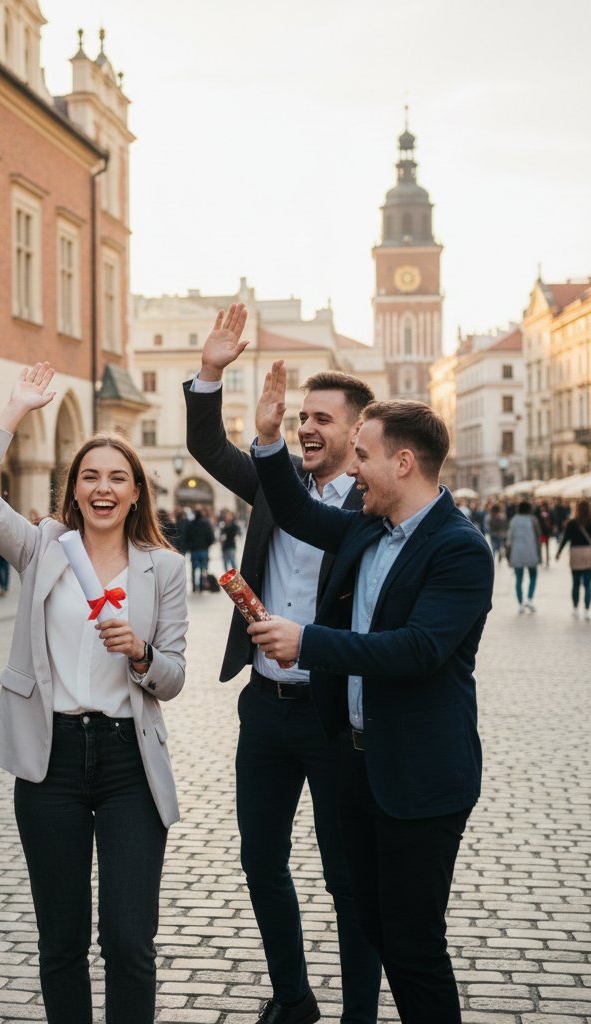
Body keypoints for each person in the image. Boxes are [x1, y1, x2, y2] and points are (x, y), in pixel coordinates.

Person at [246, 359, 493, 1023]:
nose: (352, 470)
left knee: (414, 948)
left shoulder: (460, 549)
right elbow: (294, 510)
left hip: (419, 777)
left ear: (404, 462)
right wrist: (269, 439)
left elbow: (418, 651)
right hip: (357, 766)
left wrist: (309, 643)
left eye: (363, 456)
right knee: (378, 928)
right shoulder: (365, 526)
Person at [0, 362, 188, 1024]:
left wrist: (140, 652)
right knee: (61, 943)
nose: (103, 487)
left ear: (136, 492)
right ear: (74, 490)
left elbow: (173, 675)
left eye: (117, 477)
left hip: (127, 765)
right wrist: (13, 410)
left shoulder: (163, 568)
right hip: (49, 758)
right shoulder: (43, 549)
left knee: (128, 942)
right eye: (90, 477)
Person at [184, 303, 380, 1024]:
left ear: (359, 431)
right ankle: (293, 997)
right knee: (261, 862)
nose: (307, 427)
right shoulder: (273, 481)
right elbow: (208, 448)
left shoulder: (373, 505)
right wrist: (212, 372)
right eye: (303, 416)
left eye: (323, 418)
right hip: (266, 707)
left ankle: (360, 1010)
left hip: (334, 716)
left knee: (348, 879)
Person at [556, 499, 591, 619]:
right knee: (588, 584)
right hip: (588, 553)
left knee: (575, 583)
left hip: (575, 553)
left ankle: (575, 608)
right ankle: (587, 609)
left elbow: (565, 538)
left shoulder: (572, 523)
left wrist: (558, 552)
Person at [507, 501, 541, 612]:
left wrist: (508, 553)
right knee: (533, 576)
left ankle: (520, 603)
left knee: (519, 578)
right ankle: (530, 599)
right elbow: (538, 536)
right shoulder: (533, 519)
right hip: (531, 551)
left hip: (517, 552)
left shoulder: (514, 520)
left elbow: (509, 538)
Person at [186, 506, 215, 592]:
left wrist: (190, 546)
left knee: (194, 568)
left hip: (194, 550)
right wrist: (207, 545)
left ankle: (194, 587)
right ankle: (202, 586)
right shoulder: (206, 523)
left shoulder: (190, 524)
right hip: (203, 549)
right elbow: (210, 536)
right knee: (204, 568)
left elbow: (187, 537)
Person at [218, 508, 242, 574]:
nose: (228, 517)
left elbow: (238, 533)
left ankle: (235, 576)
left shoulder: (234, 525)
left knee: (232, 562)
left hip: (231, 546)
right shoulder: (223, 525)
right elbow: (220, 536)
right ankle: (227, 578)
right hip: (224, 547)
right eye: (227, 516)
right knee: (225, 563)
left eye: (229, 516)